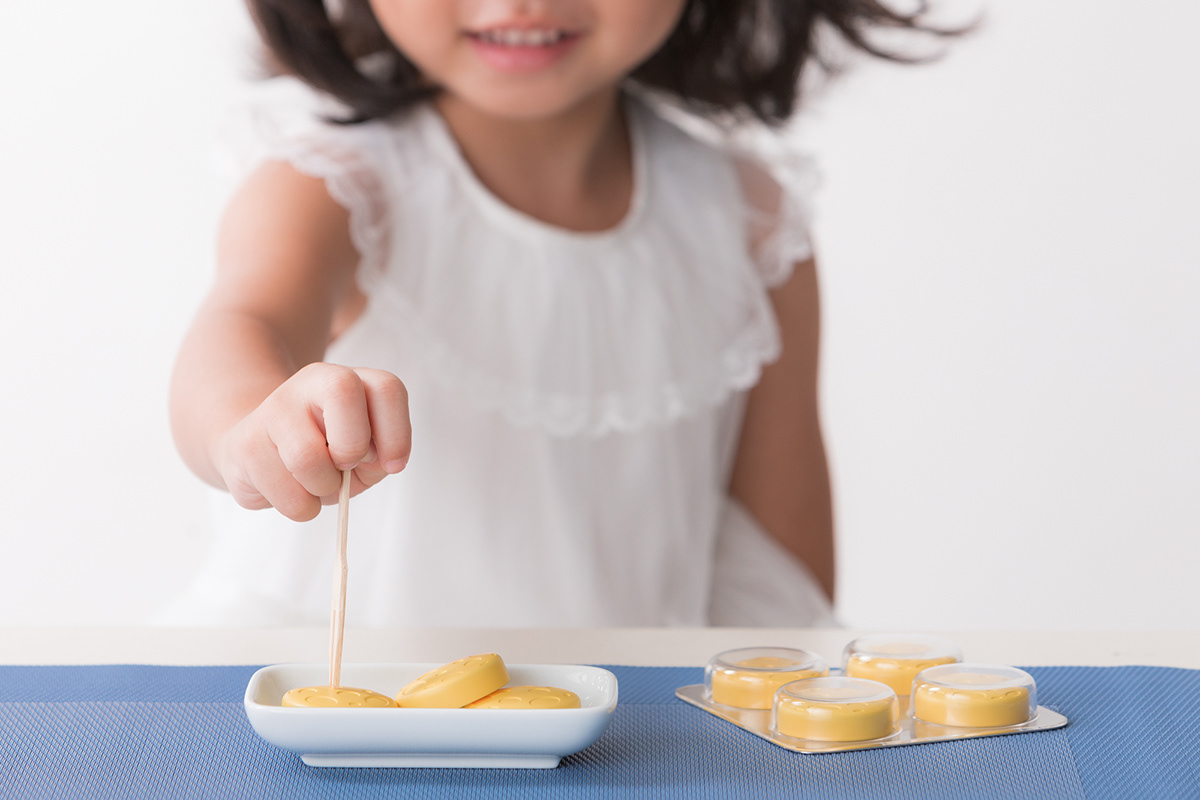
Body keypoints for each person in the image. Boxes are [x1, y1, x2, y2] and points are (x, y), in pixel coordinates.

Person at [167, 0, 953, 628]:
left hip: (618, 742)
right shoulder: (334, 185)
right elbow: (244, 324)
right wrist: (251, 429)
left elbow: (783, 580)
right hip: (340, 719)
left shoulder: (749, 225)